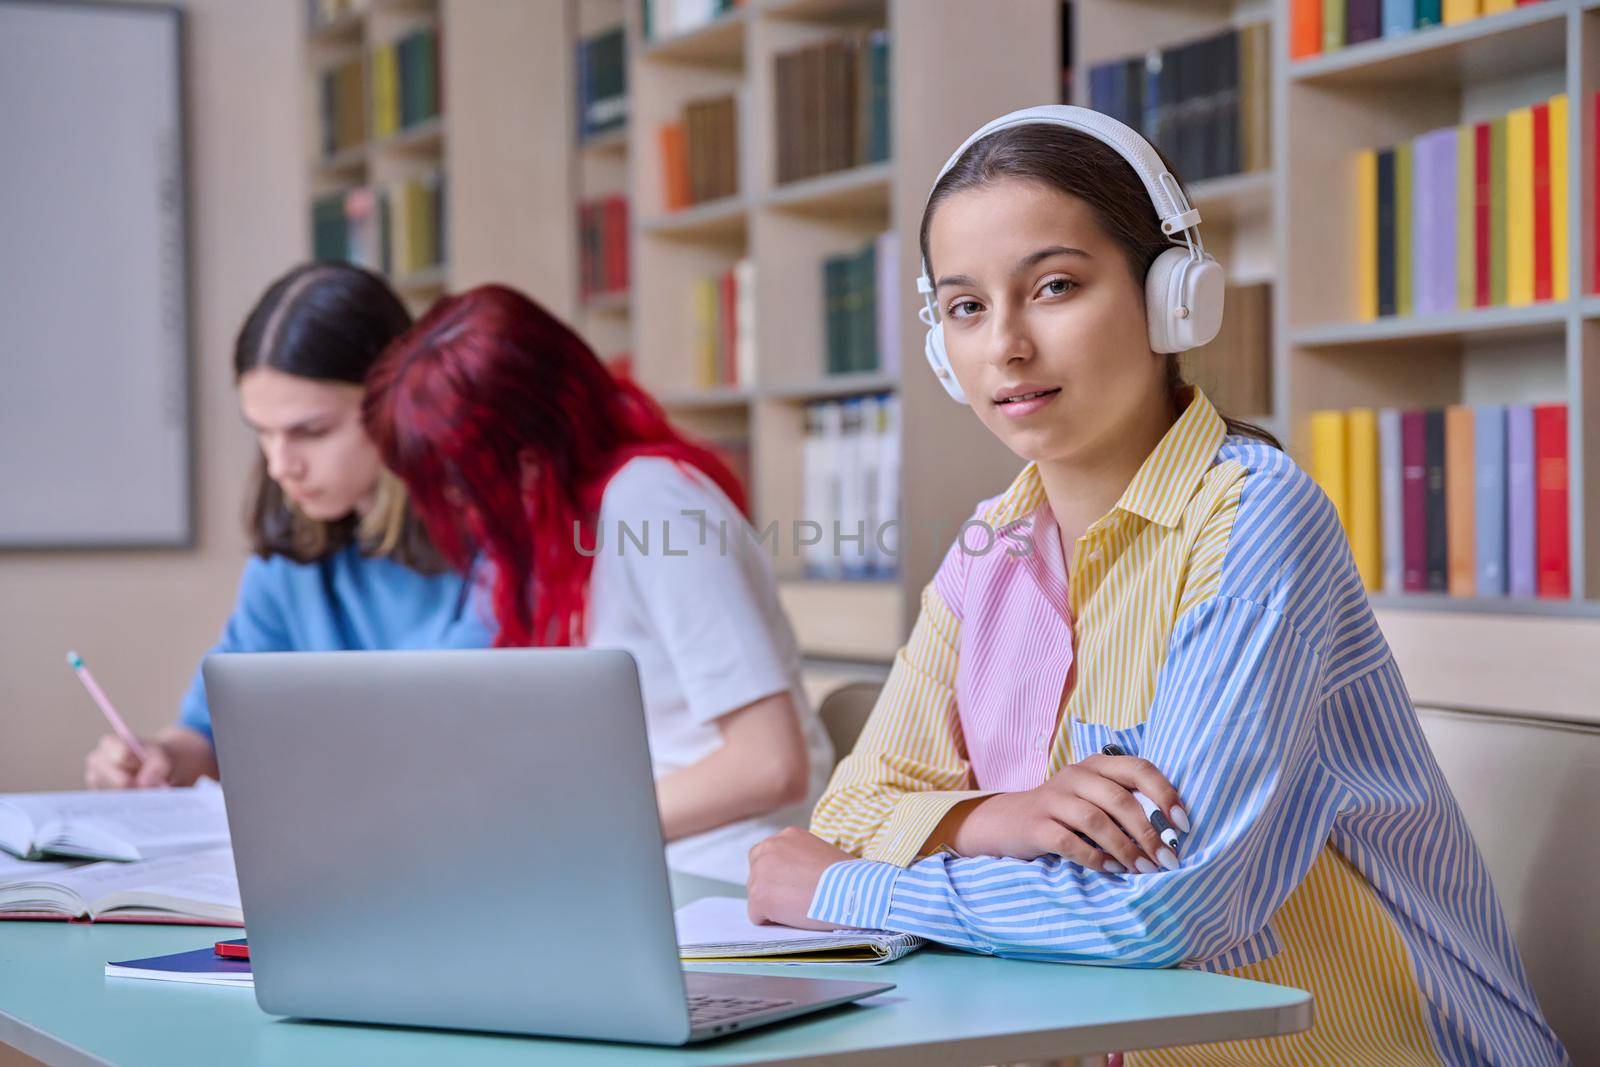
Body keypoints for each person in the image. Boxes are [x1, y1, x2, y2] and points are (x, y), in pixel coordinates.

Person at [745, 106, 1568, 1065]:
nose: (1005, 346)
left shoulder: (1257, 517)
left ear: (1173, 297)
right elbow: (849, 814)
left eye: (1053, 286)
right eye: (966, 307)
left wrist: (845, 889)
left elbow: (1161, 910)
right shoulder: (989, 550)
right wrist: (992, 817)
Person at [362, 285, 833, 883]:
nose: (461, 511)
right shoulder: (561, 534)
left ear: (534, 446)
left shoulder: (652, 503)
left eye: (466, 485)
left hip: (726, 875)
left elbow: (770, 765)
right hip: (633, 863)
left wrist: (566, 824)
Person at [84, 263, 494, 789]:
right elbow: (210, 737)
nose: (281, 466)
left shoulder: (495, 541)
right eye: (264, 434)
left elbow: (460, 742)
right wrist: (158, 757)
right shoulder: (291, 554)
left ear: (400, 404)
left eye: (312, 432)